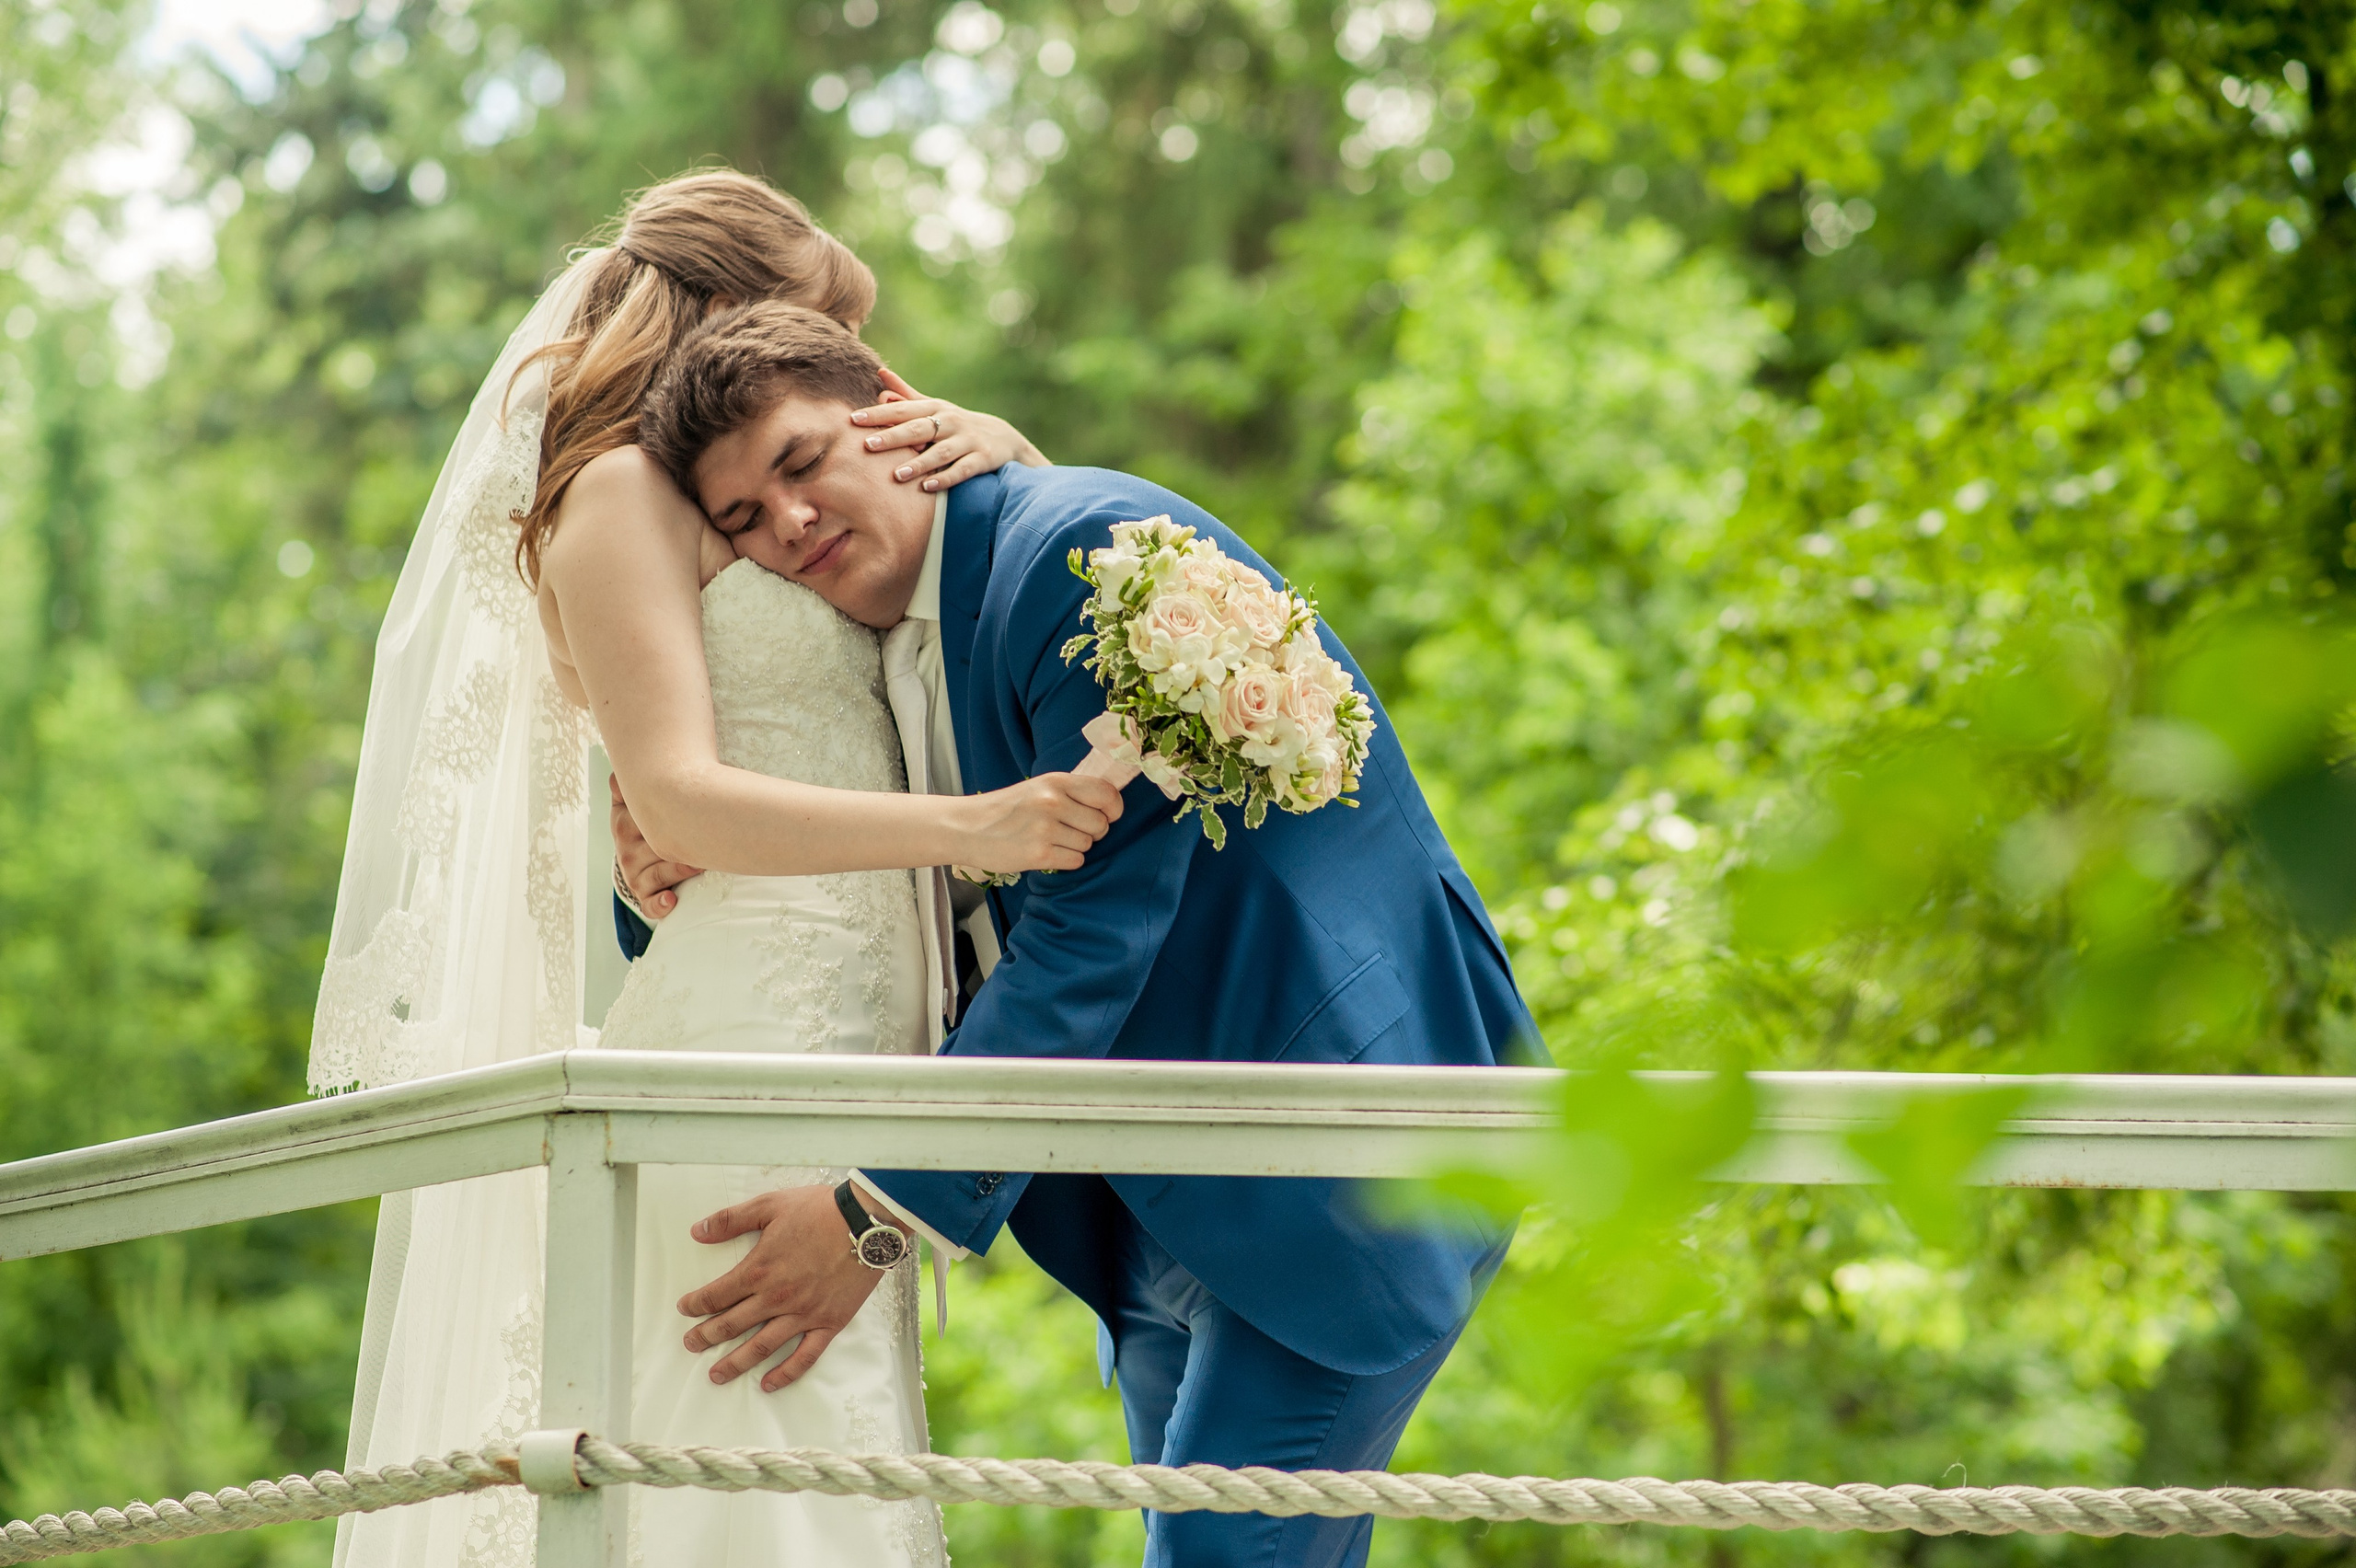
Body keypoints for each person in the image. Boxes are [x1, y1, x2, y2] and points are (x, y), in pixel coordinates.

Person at [615, 299, 1539, 1568]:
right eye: (741, 520)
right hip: (1155, 1197)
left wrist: (877, 1217)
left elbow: (1091, 929)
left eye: (800, 461)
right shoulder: (885, 626)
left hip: (1339, 1151)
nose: (788, 522)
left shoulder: (1079, 560)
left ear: (890, 415)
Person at [310, 169, 1120, 1568]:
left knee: (820, 1472)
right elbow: (682, 788)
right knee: (750, 1482)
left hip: (856, 1053)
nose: (845, 386)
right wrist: (972, 828)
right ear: (722, 322)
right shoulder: (621, 490)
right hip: (750, 1037)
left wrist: (1010, 447)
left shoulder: (770, 487)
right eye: (812, 333)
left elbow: (973, 611)